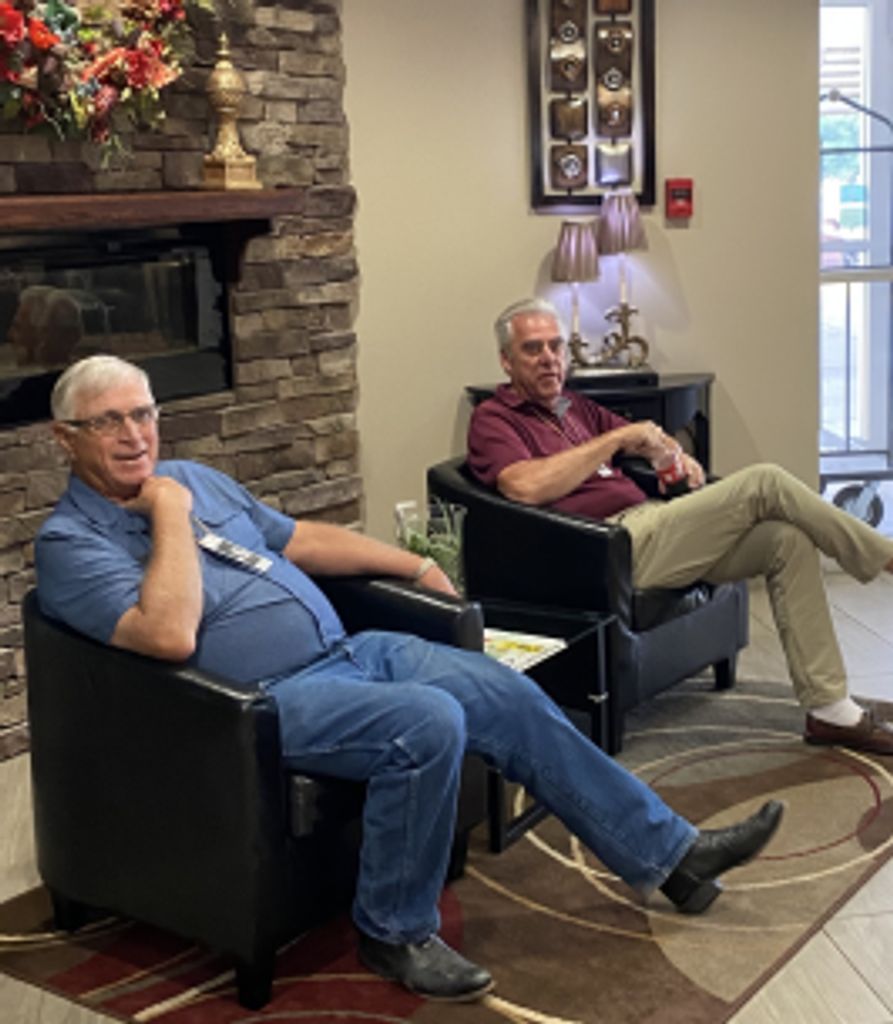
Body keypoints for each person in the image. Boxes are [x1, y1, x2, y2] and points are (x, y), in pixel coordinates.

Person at [35, 355, 784, 1004]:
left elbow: (298, 540)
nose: (135, 435)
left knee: (502, 689)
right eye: (108, 422)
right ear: (65, 439)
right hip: (259, 704)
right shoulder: (72, 543)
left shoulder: (194, 477)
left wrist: (415, 564)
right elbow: (168, 634)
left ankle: (672, 857)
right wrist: (169, 512)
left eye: (143, 414)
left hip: (346, 653)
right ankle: (393, 931)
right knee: (427, 722)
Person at [468, 297, 893, 757]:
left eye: (556, 346)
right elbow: (524, 486)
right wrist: (616, 439)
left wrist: (674, 455)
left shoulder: (576, 409)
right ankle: (884, 557)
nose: (549, 358)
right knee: (766, 482)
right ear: (506, 361)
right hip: (609, 548)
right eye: (533, 349)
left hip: (655, 525)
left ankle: (829, 711)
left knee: (786, 540)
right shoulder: (493, 419)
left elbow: (650, 439)